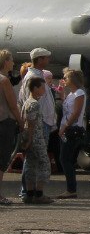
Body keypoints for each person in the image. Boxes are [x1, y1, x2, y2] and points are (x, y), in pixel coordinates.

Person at [19, 48, 57, 200]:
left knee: (32, 161)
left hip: (43, 122)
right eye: (46, 58)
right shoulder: (33, 77)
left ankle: (29, 192)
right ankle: (34, 192)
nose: (48, 60)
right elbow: (31, 119)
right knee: (40, 161)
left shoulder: (38, 75)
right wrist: (30, 135)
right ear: (39, 59)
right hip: (39, 127)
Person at [56, 68, 88, 199]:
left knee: (65, 159)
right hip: (67, 127)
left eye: (66, 78)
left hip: (72, 129)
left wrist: (65, 127)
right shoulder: (71, 94)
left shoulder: (79, 93)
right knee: (65, 158)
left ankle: (71, 188)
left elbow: (76, 112)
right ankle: (70, 188)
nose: (64, 80)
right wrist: (62, 93)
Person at [0, 49, 22, 205]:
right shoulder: (4, 81)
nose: (13, 62)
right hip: (4, 121)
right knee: (2, 160)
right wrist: (21, 122)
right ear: (5, 61)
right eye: (11, 59)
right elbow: (13, 105)